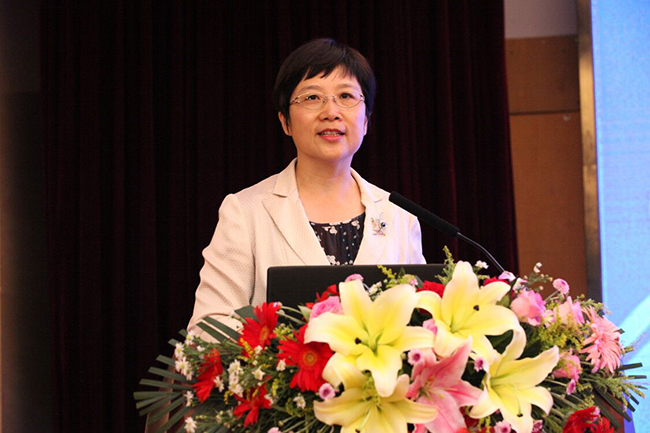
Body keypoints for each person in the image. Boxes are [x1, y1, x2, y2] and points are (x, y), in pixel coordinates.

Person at [188, 38, 425, 335]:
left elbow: (423, 322)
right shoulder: (245, 212)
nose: (331, 111)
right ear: (285, 121)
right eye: (312, 97)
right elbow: (207, 329)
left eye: (346, 96)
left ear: (366, 121)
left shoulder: (400, 216)